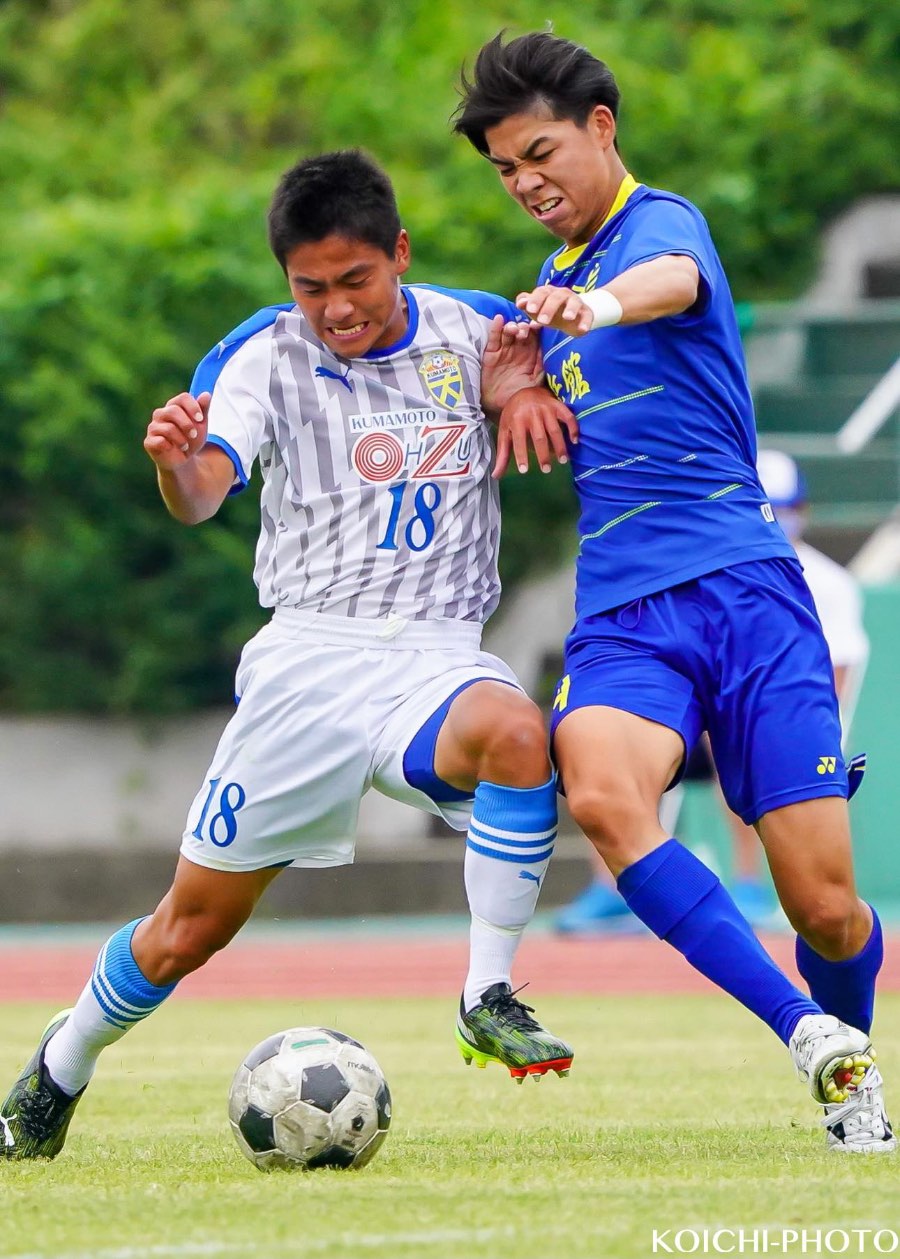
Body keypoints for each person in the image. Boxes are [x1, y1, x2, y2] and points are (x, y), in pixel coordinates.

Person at [0, 149, 577, 1162]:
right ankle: (57, 1069)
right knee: (188, 927)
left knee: (518, 732)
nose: (337, 307)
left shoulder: (479, 327)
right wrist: (177, 464)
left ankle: (487, 992)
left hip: (437, 655)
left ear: (398, 252)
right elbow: (204, 492)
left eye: (355, 279)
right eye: (311, 287)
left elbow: (563, 380)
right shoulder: (259, 355)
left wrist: (523, 392)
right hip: (307, 665)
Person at [453, 31, 894, 1152]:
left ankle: (853, 1075)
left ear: (601, 128)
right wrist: (514, 388)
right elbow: (503, 366)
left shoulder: (657, 226)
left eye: (540, 152)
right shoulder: (546, 287)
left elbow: (673, 285)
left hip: (749, 595)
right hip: (623, 613)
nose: (527, 183)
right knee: (600, 793)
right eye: (505, 170)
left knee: (826, 908)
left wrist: (591, 312)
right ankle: (807, 1035)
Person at [556, 449, 871, 933]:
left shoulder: (828, 582)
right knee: (604, 744)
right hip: (690, 712)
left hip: (772, 719)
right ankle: (612, 886)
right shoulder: (694, 565)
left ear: (800, 512)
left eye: (786, 508)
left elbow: (835, 677)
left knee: (737, 745)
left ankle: (748, 884)